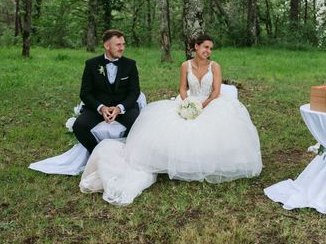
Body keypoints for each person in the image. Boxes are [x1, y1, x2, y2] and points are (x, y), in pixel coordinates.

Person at [80, 34, 263, 205]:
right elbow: (182, 88)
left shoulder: (214, 66)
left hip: (211, 102)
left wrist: (202, 106)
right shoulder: (185, 65)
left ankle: (207, 162)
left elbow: (216, 91)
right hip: (189, 101)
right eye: (205, 47)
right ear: (196, 47)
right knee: (167, 128)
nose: (208, 51)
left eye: (211, 48)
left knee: (210, 130)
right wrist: (186, 103)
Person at [73, 29, 140, 153]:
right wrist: (101, 108)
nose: (122, 48)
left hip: (123, 107)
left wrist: (119, 108)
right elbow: (85, 93)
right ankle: (96, 153)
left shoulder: (130, 64)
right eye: (118, 45)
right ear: (107, 46)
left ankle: (126, 152)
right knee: (79, 126)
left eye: (123, 44)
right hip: (98, 108)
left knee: (139, 125)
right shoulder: (91, 64)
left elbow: (134, 92)